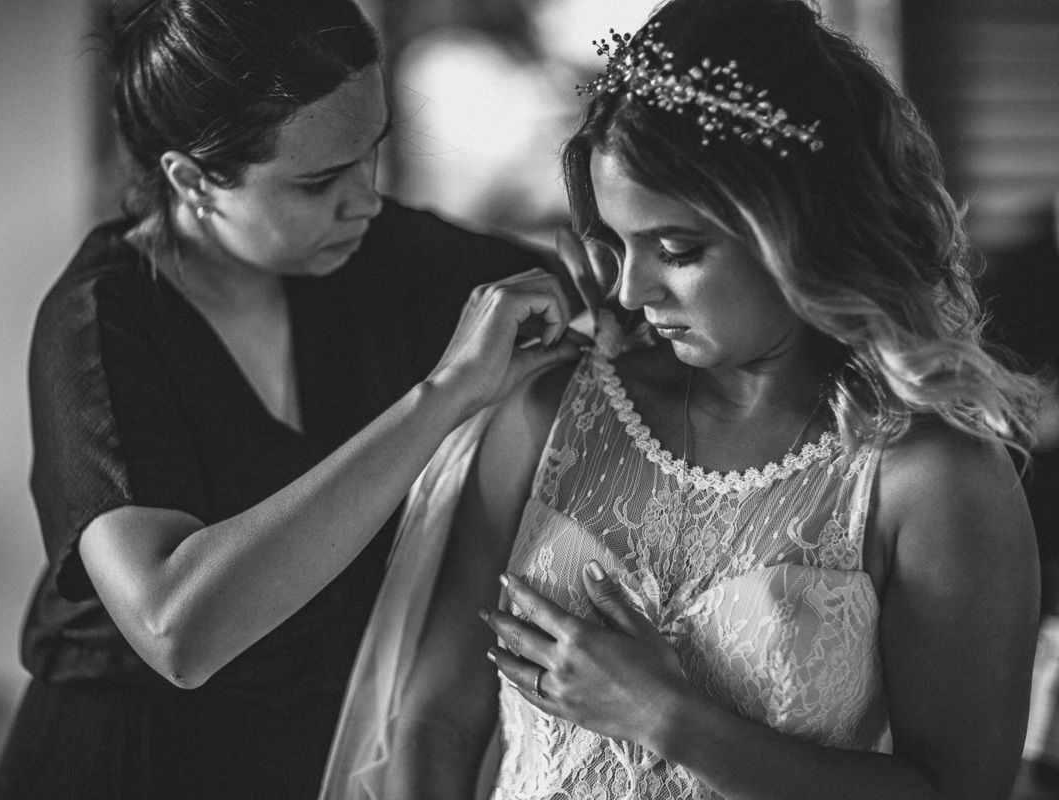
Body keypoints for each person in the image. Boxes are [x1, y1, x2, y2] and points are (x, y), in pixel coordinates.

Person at [373, 1, 1046, 798]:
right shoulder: (549, 412)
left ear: (797, 226)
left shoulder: (930, 477)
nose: (631, 287)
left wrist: (669, 718)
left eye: (678, 250)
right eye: (617, 243)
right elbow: (435, 720)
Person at [0, 0, 585, 797]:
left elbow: (590, 288)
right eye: (318, 182)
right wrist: (443, 397)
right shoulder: (102, 327)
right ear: (193, 179)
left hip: (307, 762)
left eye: (371, 155)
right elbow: (178, 628)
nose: (363, 201)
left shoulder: (380, 256)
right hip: (128, 765)